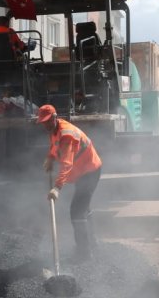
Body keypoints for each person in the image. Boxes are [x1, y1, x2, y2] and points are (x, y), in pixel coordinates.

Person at [38, 105, 102, 263]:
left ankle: (84, 254)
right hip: (82, 172)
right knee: (83, 208)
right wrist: (51, 157)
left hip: (90, 171)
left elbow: (67, 164)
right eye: (43, 122)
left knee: (76, 211)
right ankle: (92, 244)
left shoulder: (67, 135)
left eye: (47, 121)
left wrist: (57, 187)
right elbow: (55, 146)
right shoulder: (54, 130)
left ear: (55, 117)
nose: (45, 125)